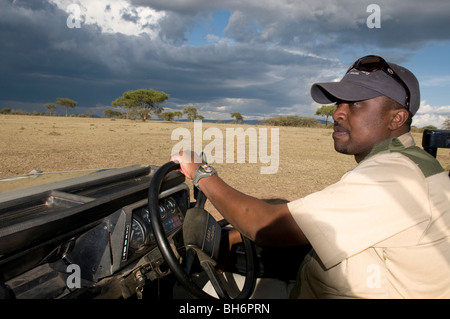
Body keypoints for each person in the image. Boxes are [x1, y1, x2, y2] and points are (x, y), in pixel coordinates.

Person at [171, 55, 450, 298]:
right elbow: (330, 218)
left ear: (396, 119)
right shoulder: (408, 162)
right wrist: (233, 236)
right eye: (339, 103)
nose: (338, 112)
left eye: (356, 104)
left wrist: (200, 172)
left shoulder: (394, 176)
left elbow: (264, 224)